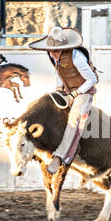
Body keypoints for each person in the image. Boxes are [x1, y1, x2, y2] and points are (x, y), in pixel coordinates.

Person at [29, 26, 98, 174]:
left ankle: (60, 157)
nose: (53, 53)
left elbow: (92, 79)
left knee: (75, 116)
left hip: (84, 90)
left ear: (65, 48)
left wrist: (75, 94)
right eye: (51, 50)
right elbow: (60, 74)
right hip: (67, 89)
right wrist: (59, 89)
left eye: (57, 50)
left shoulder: (77, 57)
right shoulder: (52, 56)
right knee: (43, 103)